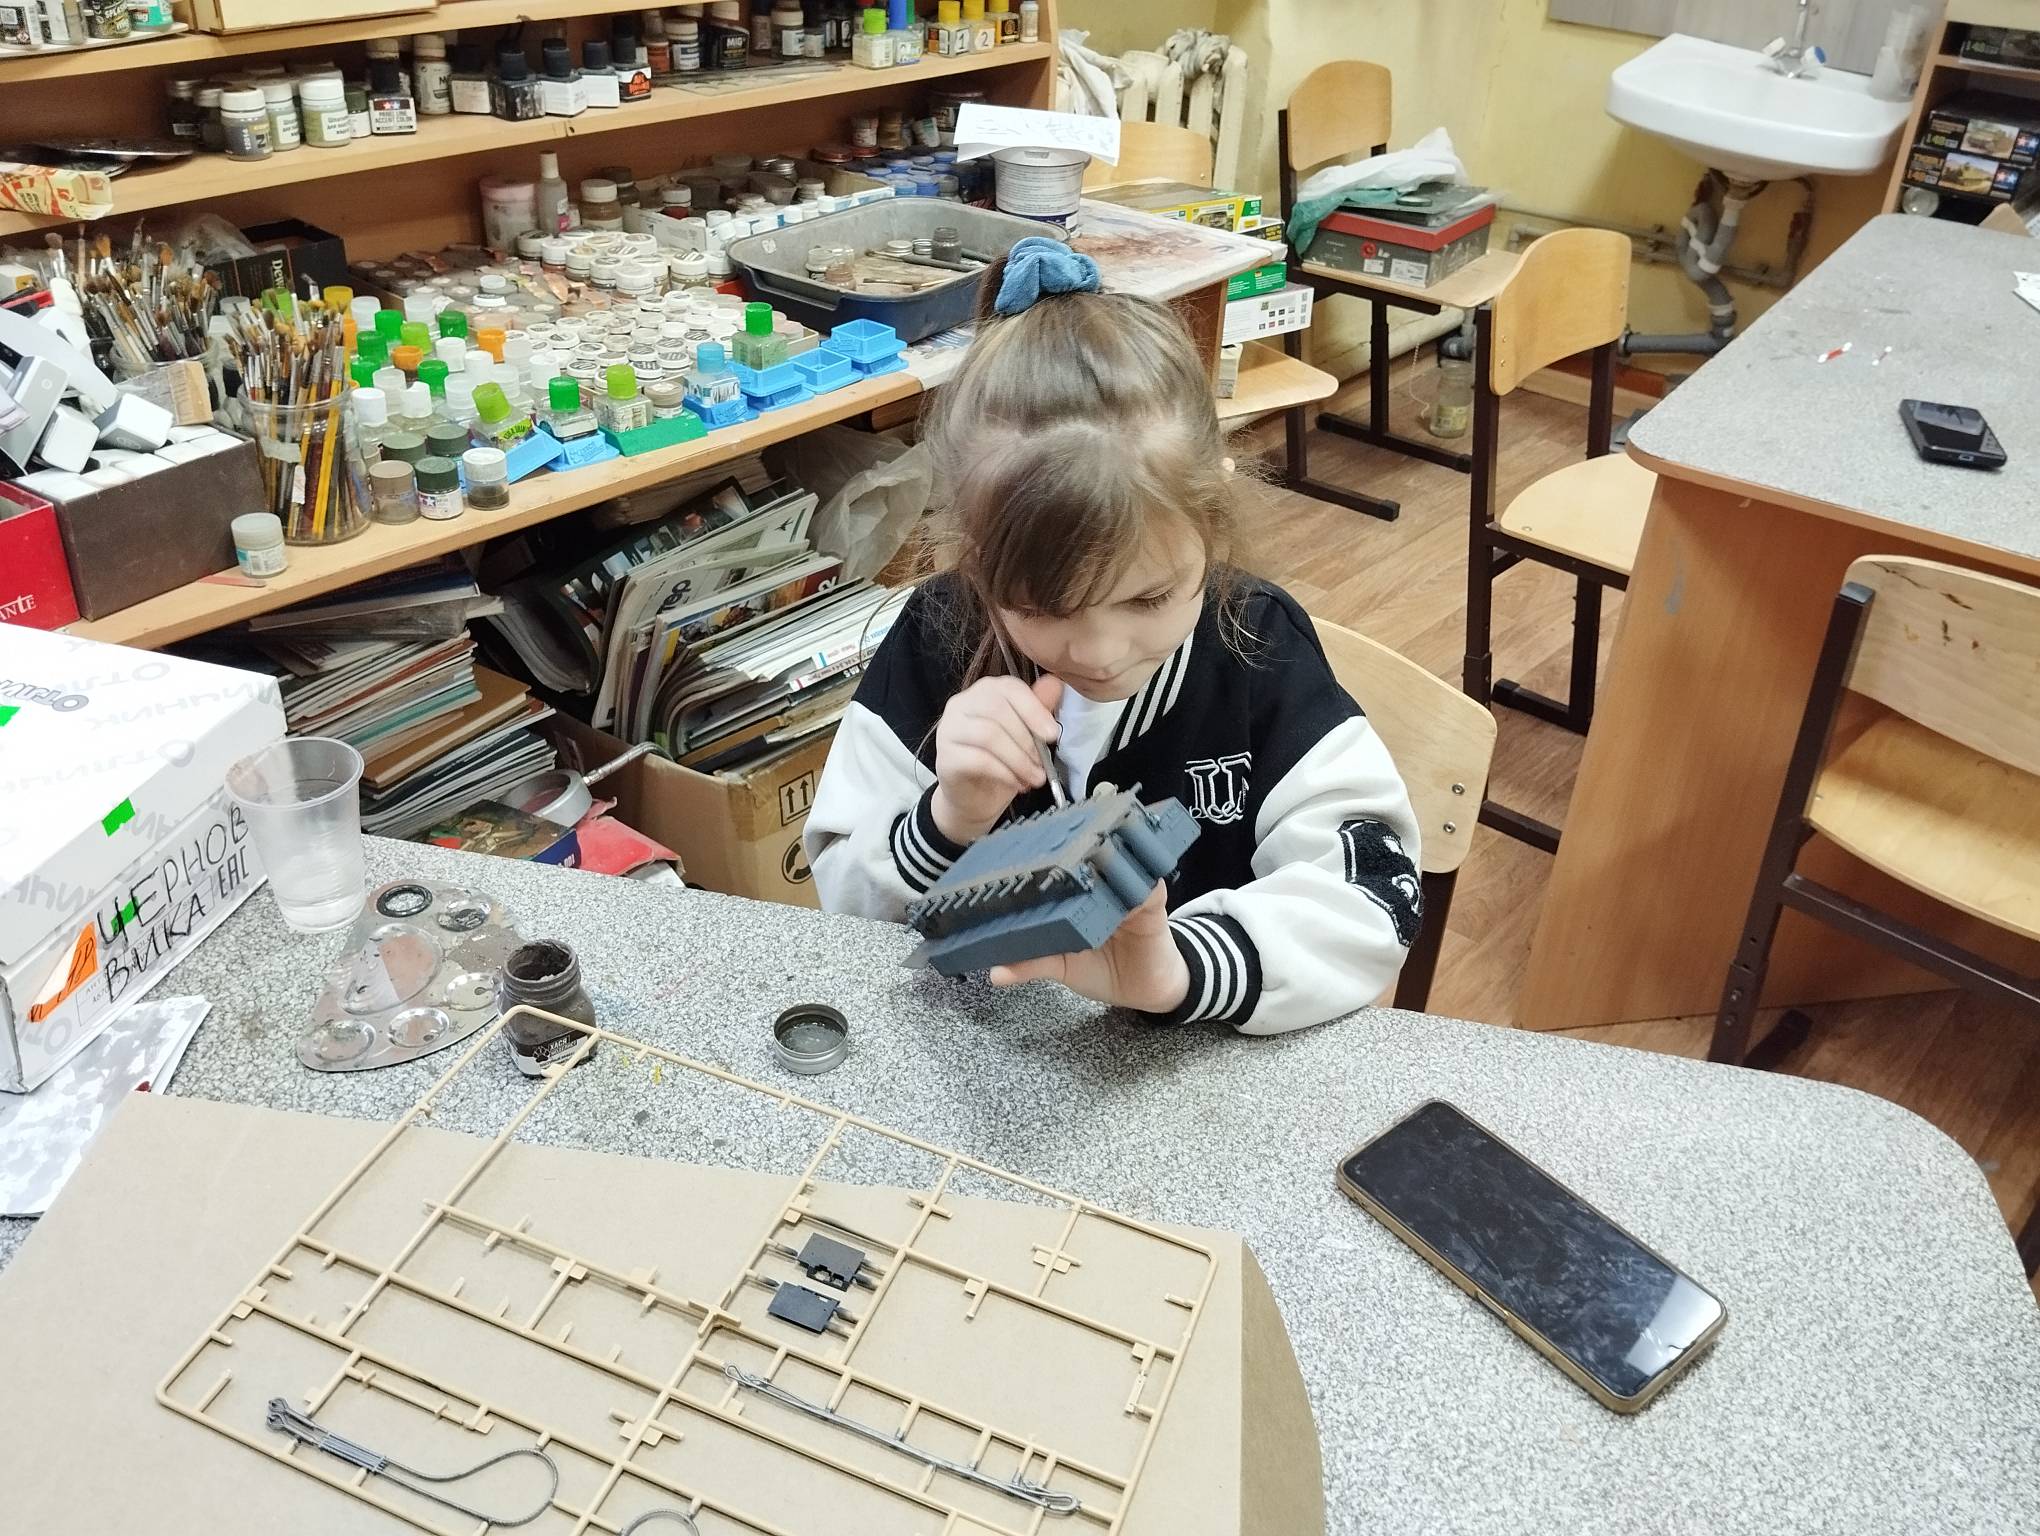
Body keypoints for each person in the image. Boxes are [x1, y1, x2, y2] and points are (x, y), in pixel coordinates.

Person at [804, 238, 1422, 1035]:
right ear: (973, 552)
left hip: (1200, 1052)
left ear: (1213, 521)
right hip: (988, 1057)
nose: (1099, 654)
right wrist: (947, 817)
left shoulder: (1257, 642)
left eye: (1149, 598)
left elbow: (1373, 897)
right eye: (1040, 607)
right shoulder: (936, 635)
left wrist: (1180, 970)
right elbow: (844, 907)